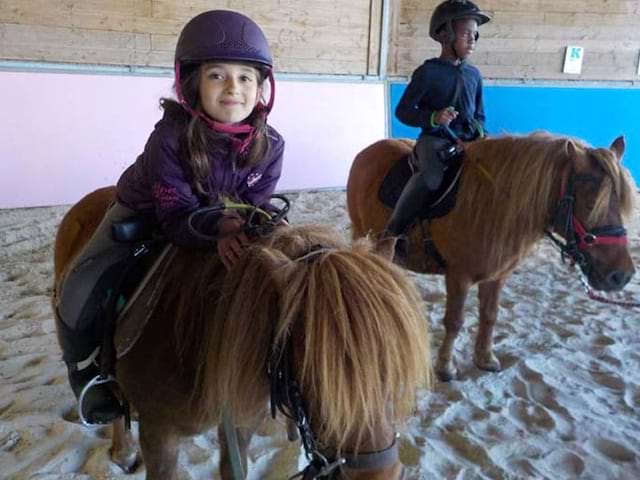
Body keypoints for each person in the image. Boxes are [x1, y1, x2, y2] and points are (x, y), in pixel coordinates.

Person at [54, 10, 284, 424]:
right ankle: (87, 372)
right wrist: (219, 225)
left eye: (246, 77)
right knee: (82, 282)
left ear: (261, 86)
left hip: (217, 215)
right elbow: (175, 213)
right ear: (192, 82)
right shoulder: (170, 137)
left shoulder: (272, 143)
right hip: (148, 210)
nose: (234, 87)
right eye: (218, 75)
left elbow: (255, 198)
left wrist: (248, 223)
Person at [384, 0, 491, 256]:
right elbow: (404, 111)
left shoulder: (474, 75)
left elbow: (480, 115)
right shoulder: (427, 73)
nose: (473, 39)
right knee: (431, 178)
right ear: (446, 35)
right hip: (435, 141)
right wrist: (434, 118)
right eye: (466, 33)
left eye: (475, 34)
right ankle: (393, 233)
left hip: (469, 142)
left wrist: (477, 136)